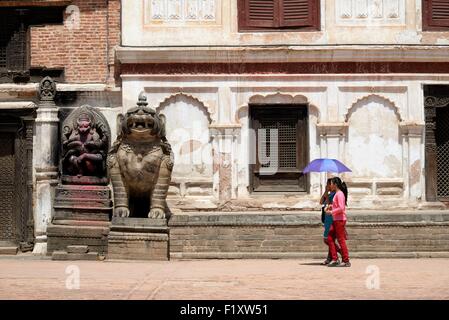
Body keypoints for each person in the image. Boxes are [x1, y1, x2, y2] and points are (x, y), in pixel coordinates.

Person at [326, 177, 351, 267]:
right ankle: (335, 258)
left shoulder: (339, 194)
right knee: (329, 238)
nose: (330, 185)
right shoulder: (337, 194)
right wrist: (331, 206)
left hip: (340, 220)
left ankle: (346, 260)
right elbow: (338, 206)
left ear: (335, 184)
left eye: (331, 183)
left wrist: (331, 211)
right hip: (336, 219)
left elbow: (341, 208)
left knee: (341, 240)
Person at [320, 178, 341, 265]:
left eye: (329, 184)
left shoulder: (335, 194)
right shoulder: (329, 194)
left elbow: (329, 204)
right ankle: (331, 258)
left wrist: (327, 195)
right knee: (330, 239)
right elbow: (321, 201)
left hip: (332, 219)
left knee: (327, 239)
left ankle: (340, 252)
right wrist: (325, 192)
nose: (328, 186)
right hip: (326, 219)